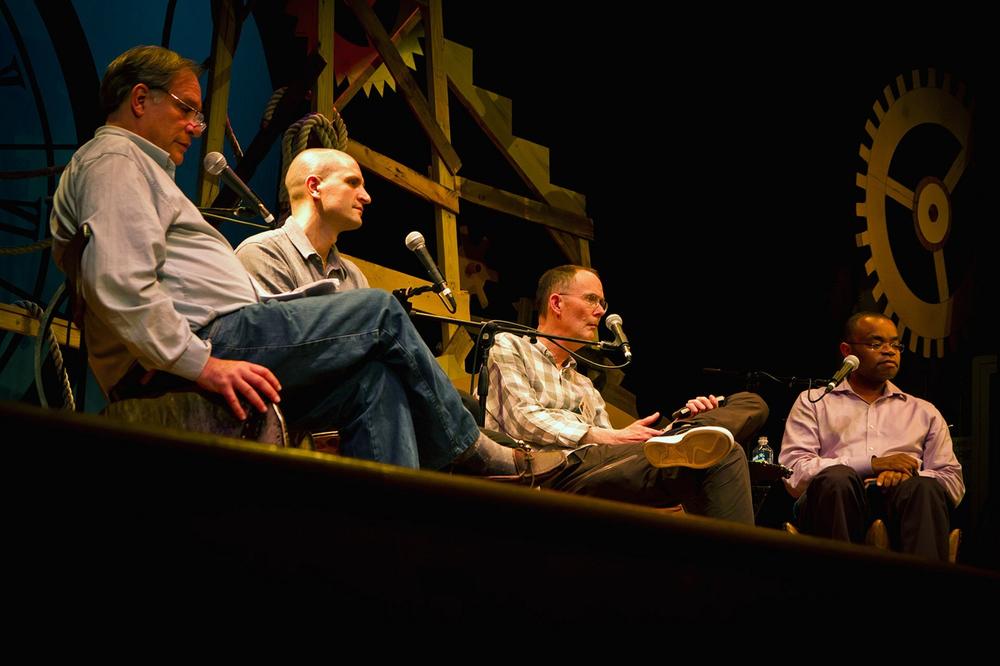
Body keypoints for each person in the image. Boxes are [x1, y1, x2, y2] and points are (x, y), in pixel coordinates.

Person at [48, 45, 561, 478]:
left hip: (223, 334)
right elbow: (120, 282)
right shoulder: (115, 161)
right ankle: (476, 451)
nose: (195, 127)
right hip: (208, 338)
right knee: (378, 311)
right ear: (140, 99)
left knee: (375, 383)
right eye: (186, 109)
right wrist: (201, 364)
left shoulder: (135, 169)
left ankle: (388, 537)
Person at [483, 265, 769, 524]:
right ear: (556, 303)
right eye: (591, 299)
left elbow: (613, 453)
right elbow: (523, 419)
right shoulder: (509, 346)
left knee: (743, 417)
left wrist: (672, 428)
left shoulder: (584, 385)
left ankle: (689, 429)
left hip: (595, 469)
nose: (601, 311)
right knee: (716, 451)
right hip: (548, 472)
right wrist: (609, 437)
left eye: (602, 302)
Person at [779, 311, 964, 560]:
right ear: (847, 351)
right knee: (837, 479)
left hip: (904, 507)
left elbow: (952, 481)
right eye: (876, 344)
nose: (889, 351)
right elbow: (793, 473)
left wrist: (907, 474)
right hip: (834, 507)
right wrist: (871, 465)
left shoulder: (923, 411)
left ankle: (924, 592)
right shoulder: (815, 402)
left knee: (925, 487)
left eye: (895, 344)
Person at [234, 148, 370, 295]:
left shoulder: (355, 277)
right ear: (314, 187)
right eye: (352, 182)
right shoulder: (262, 254)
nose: (366, 197)